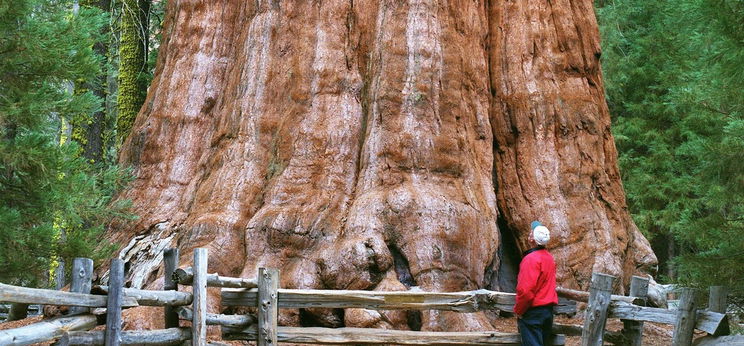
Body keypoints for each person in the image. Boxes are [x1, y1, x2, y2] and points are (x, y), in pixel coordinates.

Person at [514, 221, 559, 346]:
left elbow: (525, 290)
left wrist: (519, 310)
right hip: (547, 312)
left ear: (532, 239)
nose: (529, 234)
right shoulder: (549, 258)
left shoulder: (530, 259)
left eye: (531, 233)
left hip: (533, 312)